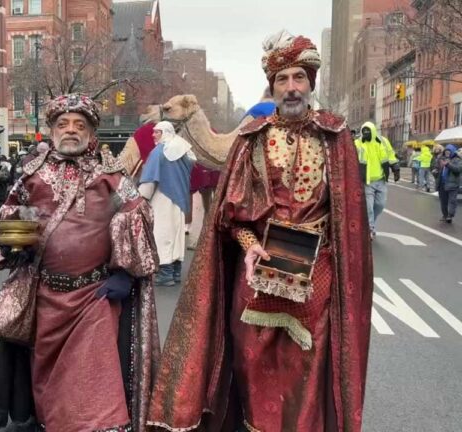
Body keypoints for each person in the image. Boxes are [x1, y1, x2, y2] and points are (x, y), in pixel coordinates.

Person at [147, 31, 373, 432]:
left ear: (310, 84)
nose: (291, 87)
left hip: (316, 273)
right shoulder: (252, 138)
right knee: (252, 364)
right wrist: (249, 245)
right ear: (272, 86)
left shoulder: (335, 137)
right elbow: (230, 214)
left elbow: (349, 219)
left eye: (298, 78)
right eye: (282, 79)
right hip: (256, 270)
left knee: (305, 372)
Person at [0, 94, 160, 432]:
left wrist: (123, 271)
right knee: (48, 376)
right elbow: (11, 217)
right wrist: (15, 241)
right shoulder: (31, 176)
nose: (71, 130)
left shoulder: (112, 178)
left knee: (91, 379)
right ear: (51, 129)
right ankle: (53, 421)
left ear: (92, 132)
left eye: (80, 125)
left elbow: (135, 217)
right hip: (46, 296)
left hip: (94, 297)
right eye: (63, 124)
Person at [138, 121, 195, 286]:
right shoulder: (183, 152)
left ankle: (165, 274)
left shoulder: (160, 151)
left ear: (166, 132)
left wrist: (140, 197)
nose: (153, 135)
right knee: (176, 236)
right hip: (180, 200)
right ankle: (175, 272)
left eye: (157, 132)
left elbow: (150, 181)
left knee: (162, 234)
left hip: (162, 198)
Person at [355, 121, 399, 239]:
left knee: (380, 205)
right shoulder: (357, 143)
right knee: (368, 207)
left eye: (368, 132)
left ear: (373, 131)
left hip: (381, 180)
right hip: (367, 182)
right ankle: (370, 229)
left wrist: (395, 168)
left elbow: (390, 154)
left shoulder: (383, 141)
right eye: (364, 132)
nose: (365, 134)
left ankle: (370, 223)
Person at [437, 145, 461, 223]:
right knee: (443, 201)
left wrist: (447, 164)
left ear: (453, 152)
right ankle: (445, 215)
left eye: (449, 151)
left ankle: (450, 215)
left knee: (452, 201)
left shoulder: (457, 160)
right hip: (442, 184)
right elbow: (437, 168)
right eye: (446, 152)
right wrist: (435, 171)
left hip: (452, 184)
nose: (447, 153)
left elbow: (457, 169)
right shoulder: (442, 159)